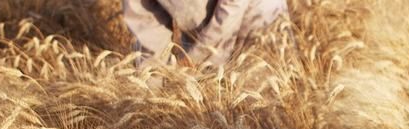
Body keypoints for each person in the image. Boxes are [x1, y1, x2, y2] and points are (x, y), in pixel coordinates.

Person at [122, 0, 289, 68]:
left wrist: (193, 61)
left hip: (261, 23)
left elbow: (234, 5)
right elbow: (147, 27)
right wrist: (152, 94)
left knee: (265, 115)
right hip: (199, 33)